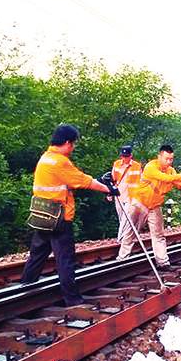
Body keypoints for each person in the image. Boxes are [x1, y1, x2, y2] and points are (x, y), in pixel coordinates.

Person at [19, 124, 112, 306]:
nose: (73, 147)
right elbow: (82, 181)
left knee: (37, 255)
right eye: (73, 144)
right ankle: (73, 300)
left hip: (42, 216)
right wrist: (108, 189)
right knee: (65, 260)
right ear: (68, 142)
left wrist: (98, 182)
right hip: (59, 218)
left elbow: (66, 181)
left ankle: (25, 290)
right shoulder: (60, 161)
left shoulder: (45, 158)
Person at [117, 145, 181, 268]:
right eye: (166, 159)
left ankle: (163, 262)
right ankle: (122, 259)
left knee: (159, 234)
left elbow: (180, 184)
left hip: (155, 206)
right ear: (159, 157)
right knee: (131, 232)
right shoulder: (151, 167)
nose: (169, 162)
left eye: (171, 159)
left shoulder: (171, 171)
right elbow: (165, 178)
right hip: (140, 203)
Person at [111, 145, 142, 241]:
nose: (124, 158)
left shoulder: (137, 166)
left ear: (131, 156)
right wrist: (110, 193)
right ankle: (127, 236)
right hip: (118, 195)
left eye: (126, 156)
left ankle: (120, 238)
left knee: (127, 218)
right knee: (121, 218)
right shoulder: (116, 164)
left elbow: (140, 181)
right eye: (123, 156)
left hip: (131, 196)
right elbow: (112, 180)